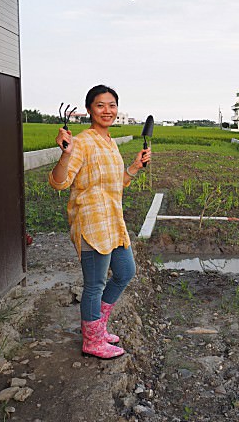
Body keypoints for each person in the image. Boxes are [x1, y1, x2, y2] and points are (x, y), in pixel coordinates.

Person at [49, 84, 151, 359]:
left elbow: (115, 183)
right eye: (100, 105)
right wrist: (66, 154)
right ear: (89, 110)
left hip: (113, 222)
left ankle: (98, 326)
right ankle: (91, 341)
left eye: (112, 105)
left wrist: (134, 167)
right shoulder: (81, 142)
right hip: (92, 223)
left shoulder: (109, 142)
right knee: (94, 285)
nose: (107, 110)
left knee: (125, 272)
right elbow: (60, 182)